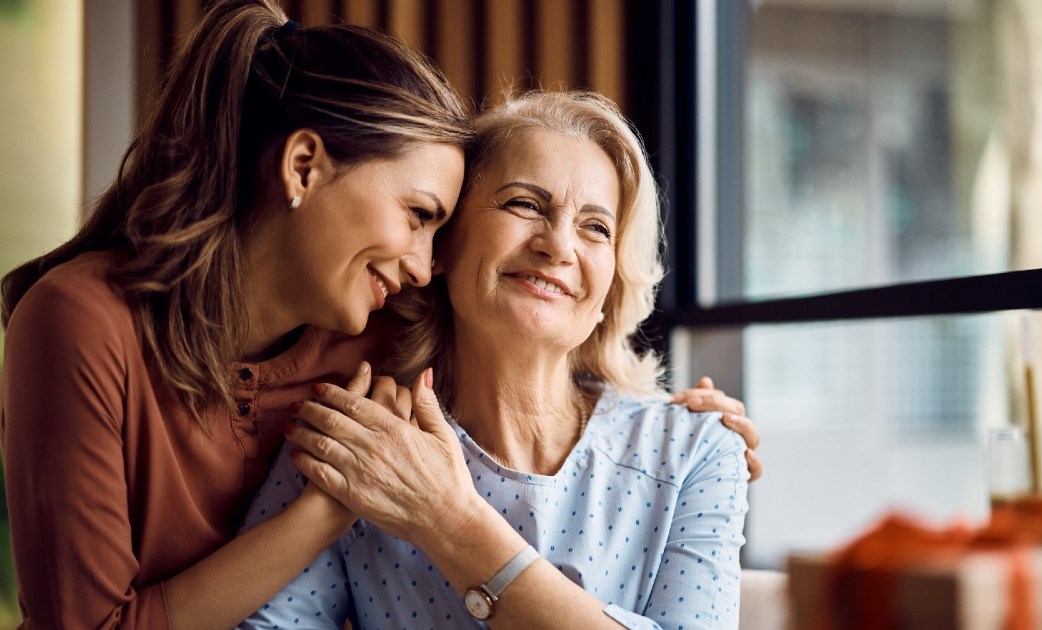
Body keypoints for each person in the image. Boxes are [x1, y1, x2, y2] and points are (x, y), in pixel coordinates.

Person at [0, 2, 756, 628]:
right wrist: (327, 512)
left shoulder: (375, 334)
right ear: (303, 168)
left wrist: (694, 430)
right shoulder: (88, 323)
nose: (423, 266)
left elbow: (534, 334)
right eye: (422, 216)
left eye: (596, 226)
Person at [239, 91, 750, 629]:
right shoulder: (359, 438)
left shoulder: (698, 451)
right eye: (524, 204)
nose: (559, 246)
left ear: (611, 289)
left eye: (596, 228)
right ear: (443, 246)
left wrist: (450, 520)